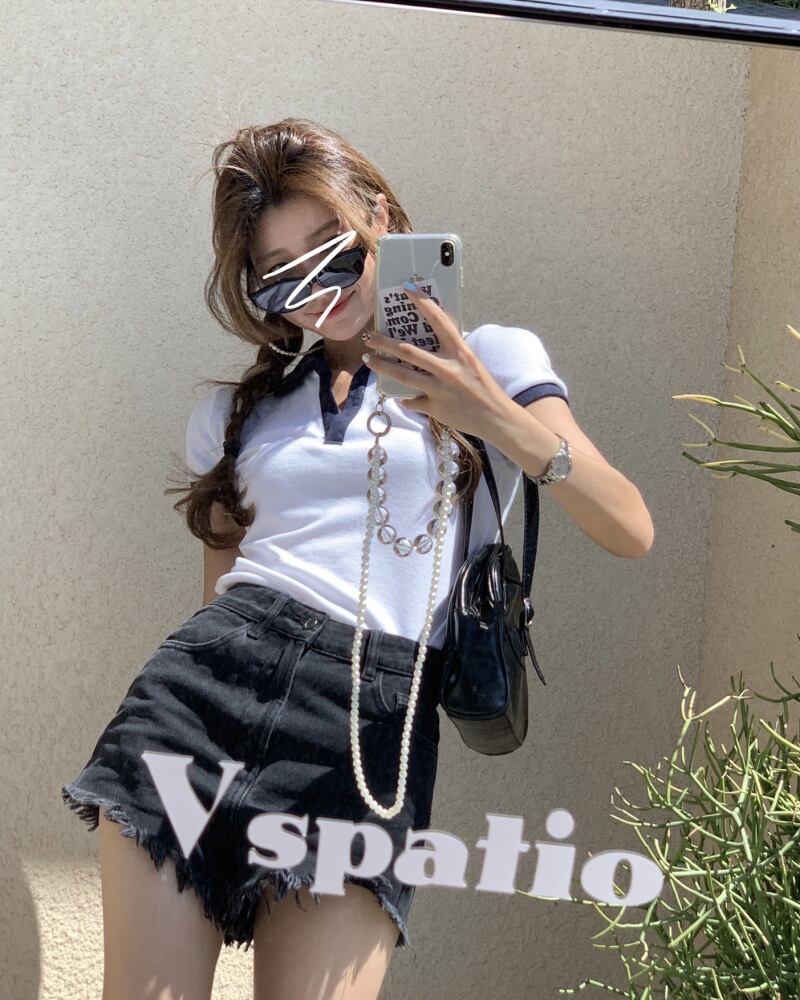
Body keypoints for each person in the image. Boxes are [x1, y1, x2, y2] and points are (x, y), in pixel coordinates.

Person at [61, 117, 654, 1000]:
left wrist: (489, 414)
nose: (318, 290)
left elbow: (629, 526)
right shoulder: (238, 416)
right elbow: (217, 599)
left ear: (378, 214)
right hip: (200, 704)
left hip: (371, 727)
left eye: (332, 250)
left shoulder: (495, 358)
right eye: (283, 276)